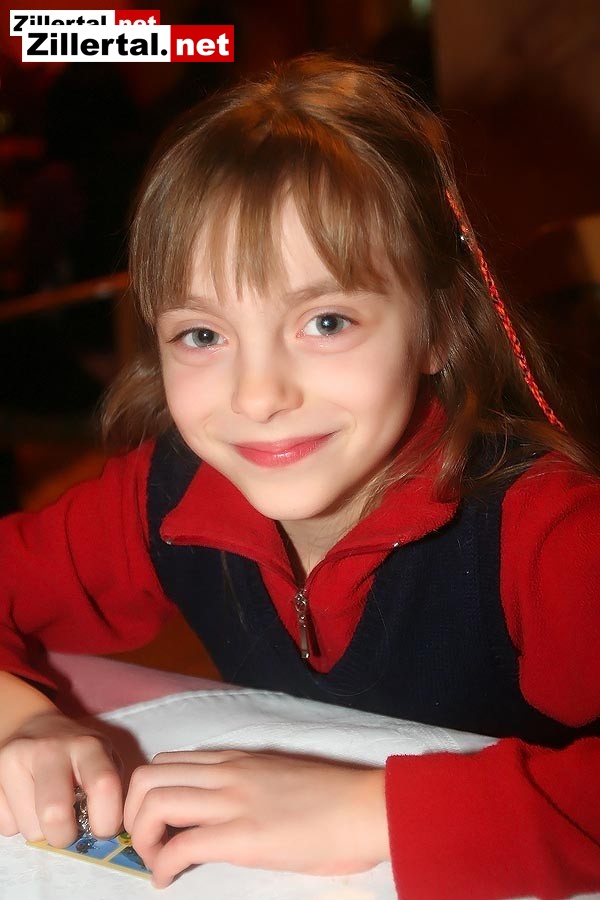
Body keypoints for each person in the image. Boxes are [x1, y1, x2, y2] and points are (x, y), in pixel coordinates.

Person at [0, 54, 598, 899]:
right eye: (203, 335)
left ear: (438, 327)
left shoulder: (546, 533)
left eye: (326, 321)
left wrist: (372, 814)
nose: (258, 396)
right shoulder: (163, 495)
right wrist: (19, 720)